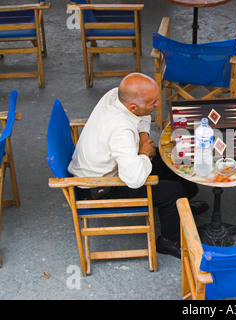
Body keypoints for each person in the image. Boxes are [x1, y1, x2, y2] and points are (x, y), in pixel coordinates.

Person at [68, 72, 209, 258]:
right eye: (153, 103)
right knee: (172, 191)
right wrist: (144, 153)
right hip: (101, 186)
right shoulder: (122, 131)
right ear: (133, 107)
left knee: (171, 158)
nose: (157, 105)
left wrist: (143, 136)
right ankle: (169, 240)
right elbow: (134, 179)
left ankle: (181, 207)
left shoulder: (115, 95)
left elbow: (142, 116)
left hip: (115, 163)